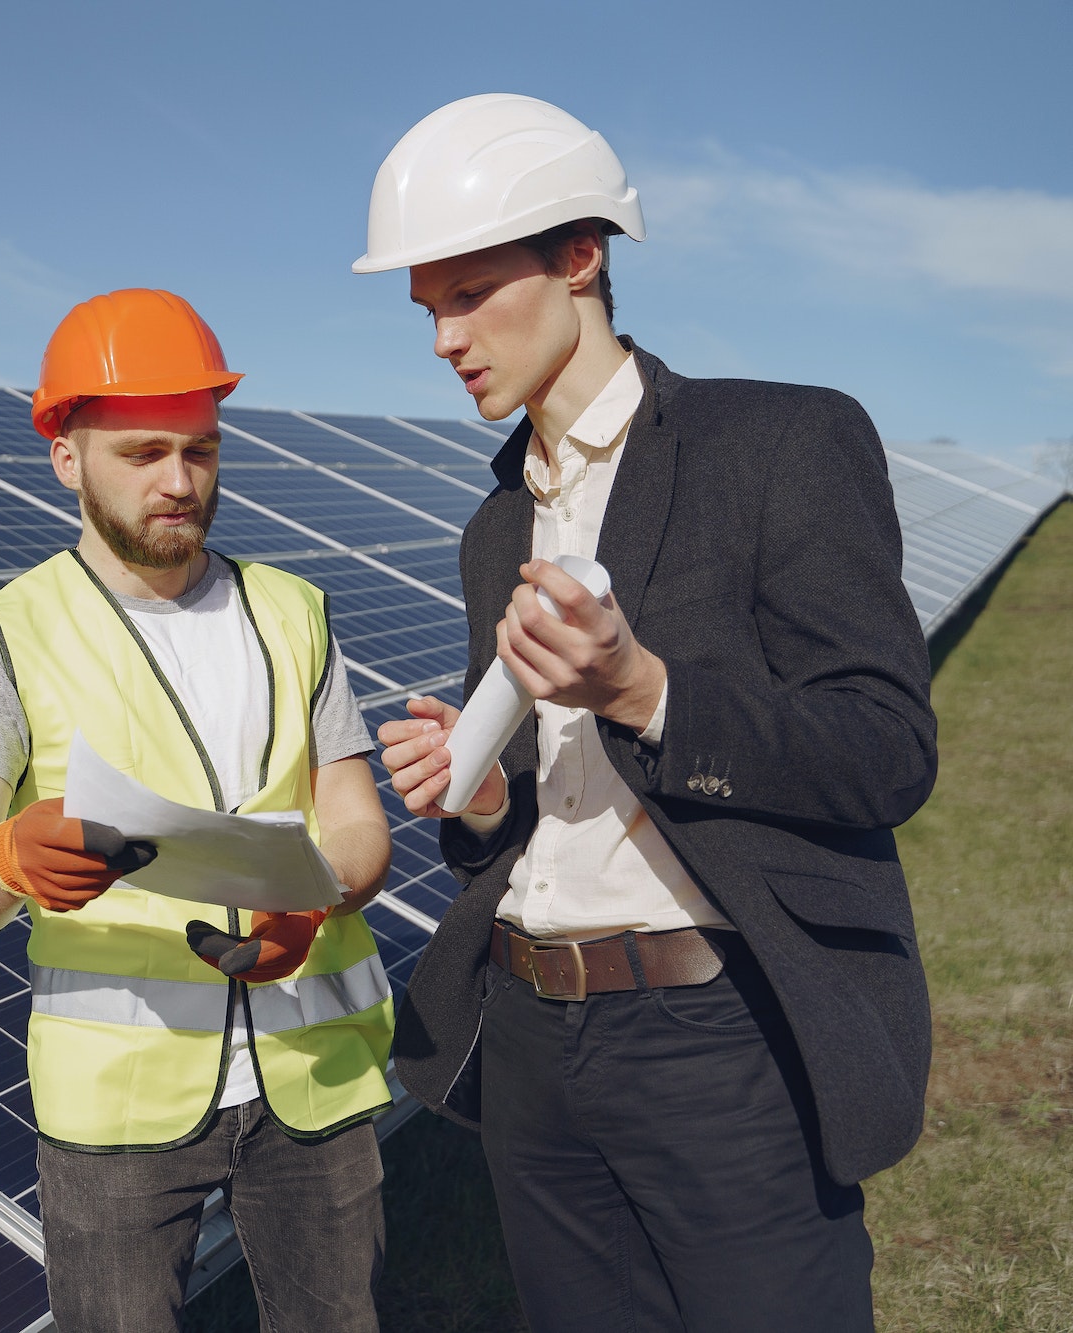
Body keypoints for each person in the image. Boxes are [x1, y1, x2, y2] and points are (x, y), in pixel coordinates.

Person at [358, 95, 937, 1331]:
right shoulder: (495, 525)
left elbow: (885, 748)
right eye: (426, 309)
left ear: (580, 257)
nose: (444, 337)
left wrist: (645, 691)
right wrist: (481, 787)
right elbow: (532, 807)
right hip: (526, 1034)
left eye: (467, 292)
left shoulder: (779, 442)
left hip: (719, 1032)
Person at [0, 288, 398, 1332]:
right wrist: (4, 857)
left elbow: (358, 825)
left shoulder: (292, 611)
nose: (179, 482)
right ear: (64, 453)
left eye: (200, 449)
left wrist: (316, 896)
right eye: (141, 452)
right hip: (120, 1105)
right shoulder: (3, 638)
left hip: (313, 1078)